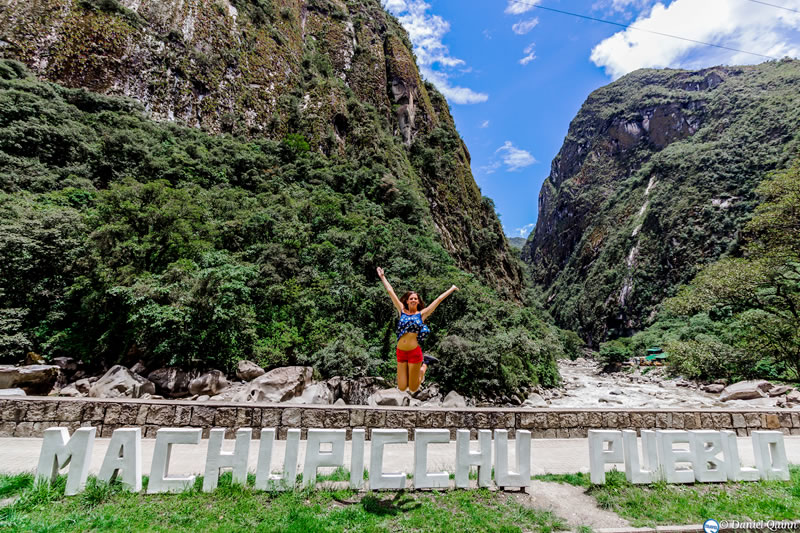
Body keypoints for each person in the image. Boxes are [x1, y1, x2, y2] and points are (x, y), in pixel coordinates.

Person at [377, 267, 458, 394]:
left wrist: (452, 289)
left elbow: (438, 300)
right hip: (401, 352)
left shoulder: (422, 315)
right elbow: (390, 291)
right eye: (411, 298)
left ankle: (425, 363)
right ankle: (423, 363)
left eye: (416, 298)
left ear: (418, 301)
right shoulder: (402, 311)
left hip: (414, 352)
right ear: (407, 301)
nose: (413, 300)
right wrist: (382, 277)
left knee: (414, 388)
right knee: (403, 387)